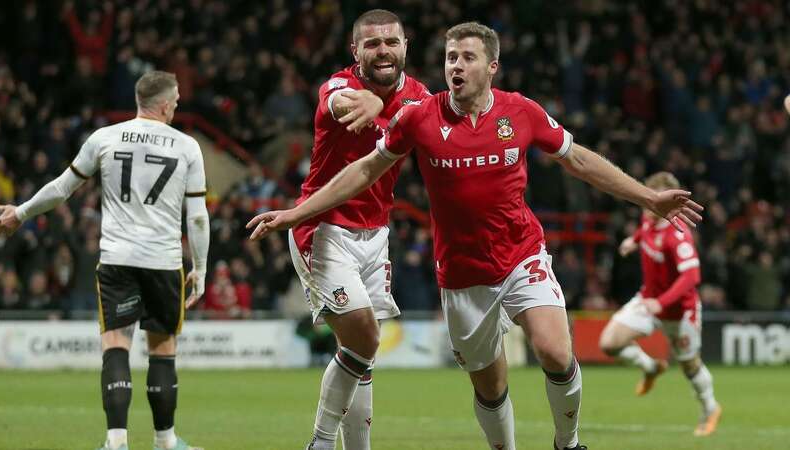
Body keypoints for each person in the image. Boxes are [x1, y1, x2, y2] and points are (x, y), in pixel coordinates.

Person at [247, 22, 703, 450]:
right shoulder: (420, 117)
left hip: (521, 254)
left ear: (491, 67)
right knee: (490, 385)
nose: (456, 66)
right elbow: (365, 169)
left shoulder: (520, 111)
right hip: (462, 274)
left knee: (555, 352)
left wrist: (648, 197)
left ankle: (569, 443)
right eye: (450, 57)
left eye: (467, 57)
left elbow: (577, 158)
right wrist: (299, 212)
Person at [0, 71, 208, 450]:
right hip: (162, 260)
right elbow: (198, 217)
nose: (177, 104)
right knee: (161, 349)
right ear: (161, 103)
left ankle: (116, 442)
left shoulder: (105, 137)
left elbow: (62, 189)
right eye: (174, 100)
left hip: (117, 258)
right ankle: (166, 442)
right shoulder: (186, 146)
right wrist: (202, 267)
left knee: (115, 345)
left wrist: (20, 213)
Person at [285, 9, 429, 450]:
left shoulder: (420, 98)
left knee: (362, 355)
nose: (382, 50)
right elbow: (339, 103)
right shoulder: (339, 86)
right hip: (323, 229)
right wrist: (371, 102)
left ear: (405, 46)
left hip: (376, 233)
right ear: (356, 51)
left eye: (390, 42)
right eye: (372, 44)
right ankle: (321, 442)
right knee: (366, 337)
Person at [599, 172, 721, 437]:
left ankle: (710, 409)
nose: (648, 201)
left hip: (678, 312)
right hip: (647, 300)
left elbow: (692, 276)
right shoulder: (648, 219)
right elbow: (646, 232)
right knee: (609, 343)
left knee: (690, 366)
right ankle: (651, 366)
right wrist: (634, 241)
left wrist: (662, 303)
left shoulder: (678, 235)